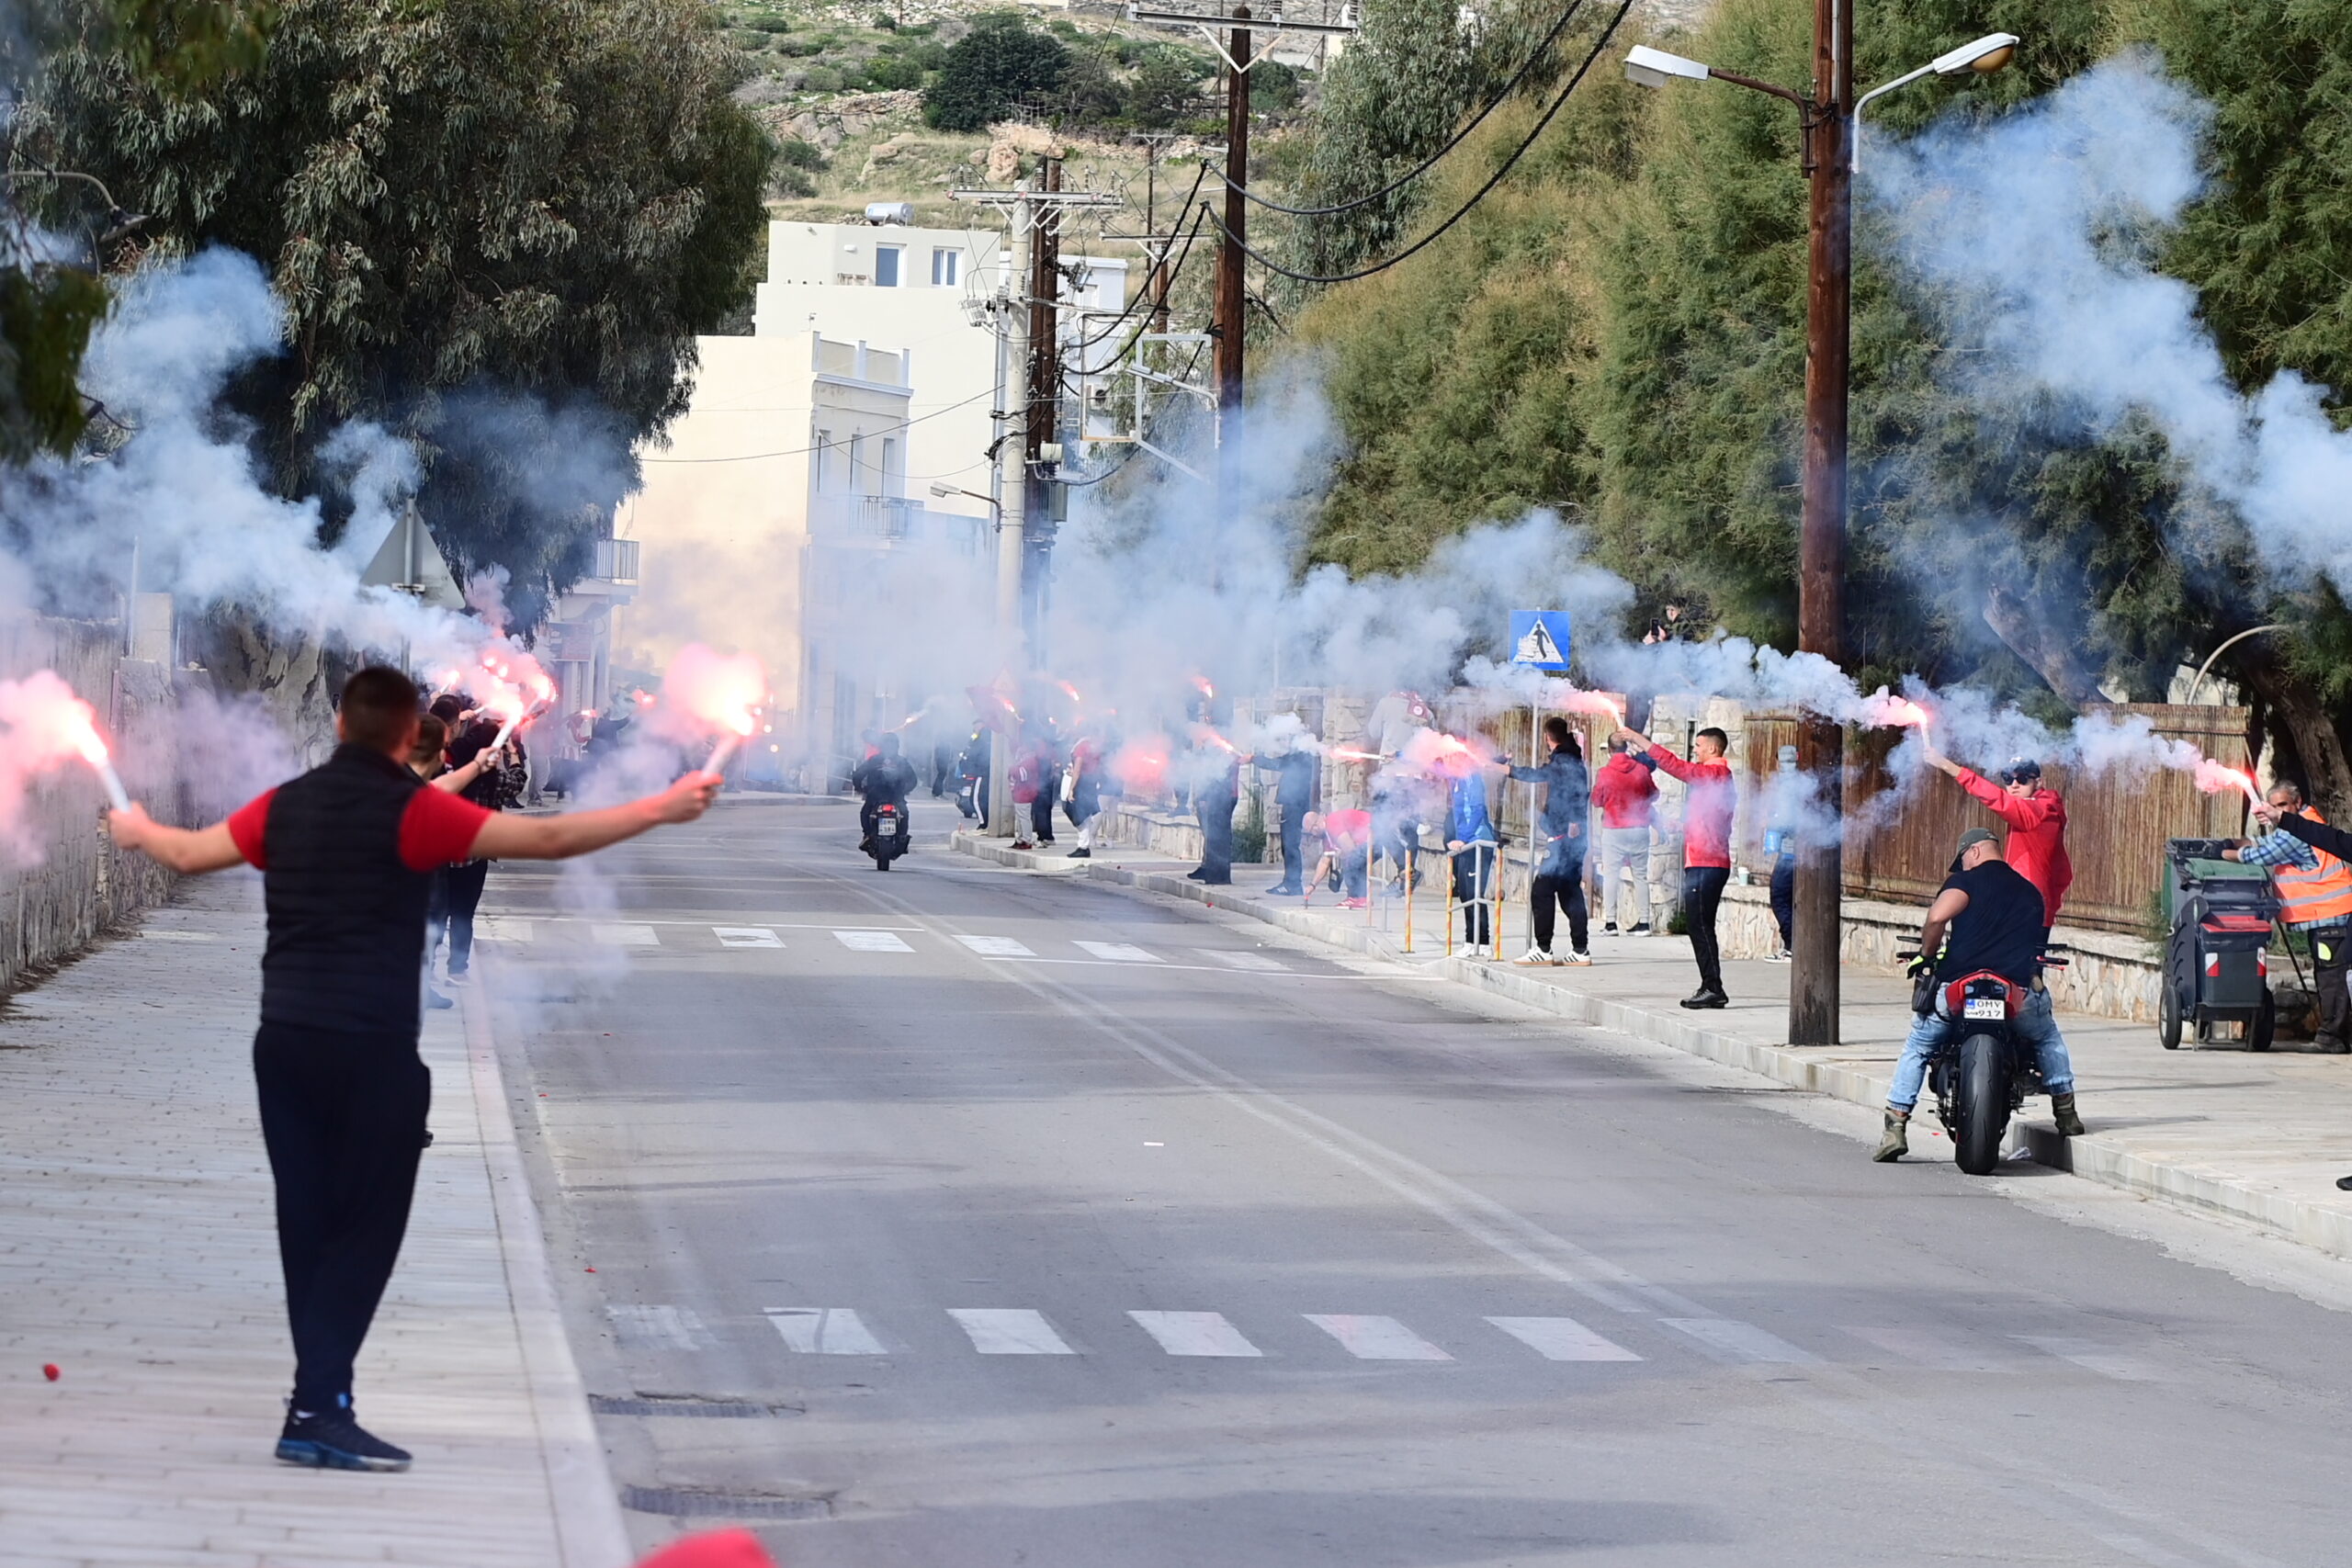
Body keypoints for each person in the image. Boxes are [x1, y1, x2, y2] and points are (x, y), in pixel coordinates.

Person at [104, 667, 715, 1473]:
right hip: (372, 1052)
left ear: (338, 723)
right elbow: (551, 840)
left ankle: (319, 1401)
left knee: (305, 1221)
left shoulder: (285, 804)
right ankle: (318, 1406)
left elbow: (186, 855)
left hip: (284, 1043)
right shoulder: (412, 810)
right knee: (367, 1229)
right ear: (408, 736)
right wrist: (662, 808)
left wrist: (137, 829)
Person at [1876, 828, 2083, 1161]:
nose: (1962, 867)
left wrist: (1927, 954)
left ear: (1973, 852)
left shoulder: (1965, 883)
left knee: (1919, 1046)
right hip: (2014, 989)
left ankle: (1895, 1126)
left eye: (1962, 861)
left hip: (1960, 985)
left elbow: (1937, 917)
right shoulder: (2029, 892)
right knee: (2045, 1037)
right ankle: (2066, 1112)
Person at [1615, 725, 1735, 1009]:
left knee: (1700, 926)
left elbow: (1675, 765)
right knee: (1699, 926)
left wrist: (1638, 739)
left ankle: (1713, 987)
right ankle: (1711, 986)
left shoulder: (1715, 774)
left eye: (1699, 746)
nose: (1695, 750)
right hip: (1704, 862)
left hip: (1708, 863)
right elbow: (1710, 820)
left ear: (1713, 748)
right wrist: (1681, 826)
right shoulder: (1714, 778)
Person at [2227, 783, 2352, 1054]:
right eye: (2274, 806)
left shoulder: (2300, 830)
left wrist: (2228, 853)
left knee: (2332, 977)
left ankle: (2332, 1038)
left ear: (2297, 802)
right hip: (2324, 917)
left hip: (2331, 916)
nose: (2277, 810)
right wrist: (2242, 841)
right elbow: (2267, 842)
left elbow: (2264, 854)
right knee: (2329, 975)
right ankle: (2334, 1035)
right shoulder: (2299, 824)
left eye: (2282, 805)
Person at [1920, 739, 2072, 934]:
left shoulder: (2041, 810)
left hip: (2024, 908)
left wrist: (1946, 765)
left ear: (2039, 782)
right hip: (2024, 904)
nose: (2014, 785)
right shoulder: (2040, 807)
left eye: (2023, 778)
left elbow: (1998, 799)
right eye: (2007, 779)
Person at [1509, 716, 1592, 965]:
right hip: (1569, 838)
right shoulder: (1569, 759)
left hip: (1563, 839)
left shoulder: (1564, 761)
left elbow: (1542, 777)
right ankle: (1580, 950)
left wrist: (1508, 770)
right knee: (1569, 891)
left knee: (1542, 890)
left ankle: (1544, 949)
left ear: (1548, 737)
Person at [1592, 734, 1658, 935]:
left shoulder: (1605, 773)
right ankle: (1644, 923)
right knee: (1640, 876)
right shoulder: (1642, 770)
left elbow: (1596, 800)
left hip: (1614, 829)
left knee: (1611, 875)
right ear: (1626, 748)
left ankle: (1611, 923)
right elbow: (1654, 794)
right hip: (1639, 828)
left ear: (1610, 750)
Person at [1250, 733, 1317, 896]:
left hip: (1294, 804)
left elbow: (1277, 764)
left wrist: (1252, 758)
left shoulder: (1300, 756)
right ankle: (1290, 882)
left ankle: (1292, 883)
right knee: (1289, 845)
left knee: (1290, 845)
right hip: (1294, 803)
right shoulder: (1300, 756)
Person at [1445, 762, 1499, 951]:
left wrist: (1463, 838)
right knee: (1465, 895)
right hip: (1466, 843)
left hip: (1478, 841)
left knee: (1475, 894)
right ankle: (1471, 941)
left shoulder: (1471, 777)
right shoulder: (1456, 778)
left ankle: (1482, 942)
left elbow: (1477, 809)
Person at [1762, 743, 1803, 962]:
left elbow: (1786, 820)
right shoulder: (1800, 782)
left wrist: (1772, 825)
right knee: (1789, 897)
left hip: (1790, 850)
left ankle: (1792, 946)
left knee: (1779, 895)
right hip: (1796, 850)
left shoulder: (1788, 785)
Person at [850, 732, 919, 852]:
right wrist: (905, 790)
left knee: (866, 813)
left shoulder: (875, 760)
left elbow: (858, 775)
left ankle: (868, 835)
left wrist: (860, 788)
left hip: (877, 795)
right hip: (893, 796)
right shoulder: (901, 761)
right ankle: (901, 837)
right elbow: (913, 780)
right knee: (904, 813)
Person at [1189, 736, 1239, 886]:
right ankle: (1210, 870)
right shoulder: (1224, 755)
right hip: (1219, 797)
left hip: (1221, 798)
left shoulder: (1225, 756)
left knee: (1216, 837)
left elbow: (1216, 779)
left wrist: (1204, 797)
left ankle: (1216, 874)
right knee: (1213, 837)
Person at [1305, 807, 1372, 908]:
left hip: (1375, 835)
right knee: (1353, 859)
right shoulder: (1327, 836)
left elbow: (1350, 848)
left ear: (1315, 827)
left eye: (1311, 832)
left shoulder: (1332, 823)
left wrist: (1340, 853)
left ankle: (1360, 898)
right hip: (1366, 841)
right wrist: (1312, 885)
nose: (1313, 836)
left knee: (1352, 859)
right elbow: (1324, 862)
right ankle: (1357, 897)